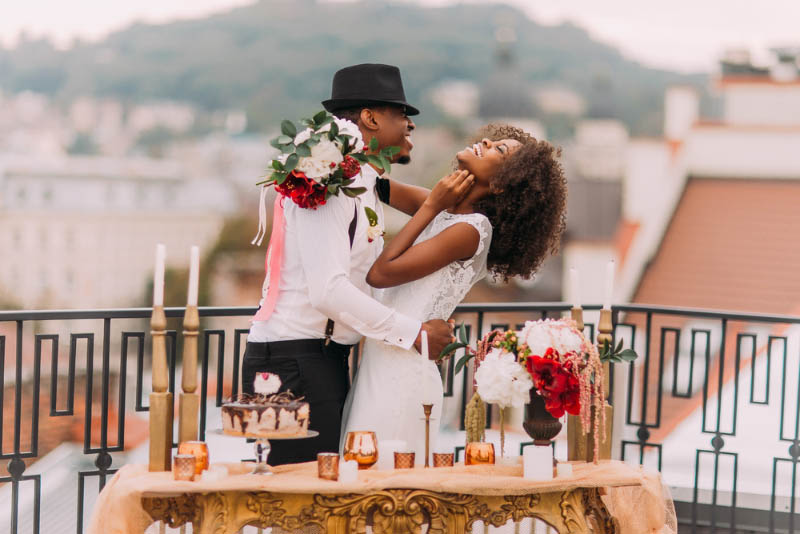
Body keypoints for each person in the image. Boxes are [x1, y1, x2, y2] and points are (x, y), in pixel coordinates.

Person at [241, 64, 454, 465]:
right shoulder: (327, 181)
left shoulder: (365, 183)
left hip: (321, 358)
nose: (410, 125)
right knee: (296, 503)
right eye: (400, 114)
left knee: (316, 503)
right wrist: (414, 333)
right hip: (293, 361)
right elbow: (329, 290)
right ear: (371, 118)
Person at [341, 123, 568, 463]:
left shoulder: (470, 230)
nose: (486, 141)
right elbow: (376, 185)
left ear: (505, 186)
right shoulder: (448, 209)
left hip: (403, 372)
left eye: (499, 150)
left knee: (382, 485)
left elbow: (381, 274)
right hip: (383, 360)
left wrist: (431, 206)